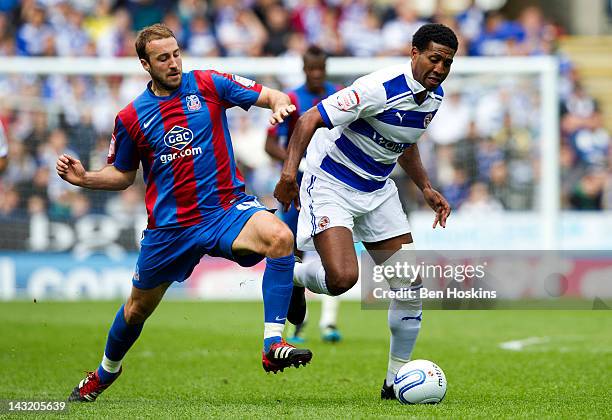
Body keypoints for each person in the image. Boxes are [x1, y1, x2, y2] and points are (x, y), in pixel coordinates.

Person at [56, 24, 312, 403]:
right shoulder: (131, 117)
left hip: (225, 209)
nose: (174, 63)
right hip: (170, 229)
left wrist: (279, 106)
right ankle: (105, 372)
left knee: (280, 238)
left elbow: (270, 95)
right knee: (136, 310)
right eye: (163, 58)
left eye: (176, 54)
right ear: (145, 64)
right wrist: (85, 178)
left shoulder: (209, 84)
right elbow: (124, 175)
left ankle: (272, 343)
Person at [274, 23, 456, 400]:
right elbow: (309, 119)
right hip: (331, 184)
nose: (439, 68)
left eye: (447, 62)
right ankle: (289, 275)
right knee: (342, 278)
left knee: (409, 287)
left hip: (377, 190)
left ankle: (392, 384)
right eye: (434, 58)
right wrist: (289, 175)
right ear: (414, 53)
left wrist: (425, 187)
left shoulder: (434, 98)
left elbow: (403, 141)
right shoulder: (378, 88)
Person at [265, 45, 343, 344]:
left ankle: (329, 323)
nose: (316, 74)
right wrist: (293, 161)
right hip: (297, 187)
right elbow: (268, 144)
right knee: (290, 250)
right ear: (304, 68)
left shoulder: (338, 94)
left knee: (332, 247)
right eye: (311, 69)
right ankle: (292, 325)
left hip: (331, 185)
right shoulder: (293, 99)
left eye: (320, 68)